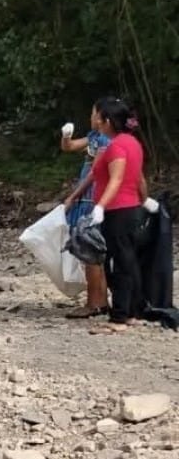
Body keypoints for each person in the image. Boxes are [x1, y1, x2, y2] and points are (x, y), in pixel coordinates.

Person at [69, 97, 153, 334]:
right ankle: (131, 312)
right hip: (130, 208)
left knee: (119, 263)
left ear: (106, 120)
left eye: (96, 114)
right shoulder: (132, 143)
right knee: (127, 261)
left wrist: (100, 206)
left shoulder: (116, 146)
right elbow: (138, 178)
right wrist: (145, 200)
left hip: (119, 209)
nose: (93, 118)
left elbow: (116, 179)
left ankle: (119, 318)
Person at [60, 101, 111, 317]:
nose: (90, 116)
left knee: (90, 248)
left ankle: (94, 302)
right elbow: (69, 147)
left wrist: (73, 195)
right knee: (92, 250)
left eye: (93, 113)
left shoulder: (106, 140)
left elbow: (94, 173)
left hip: (92, 197)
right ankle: (100, 299)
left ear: (102, 117)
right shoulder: (93, 136)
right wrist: (65, 136)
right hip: (87, 197)